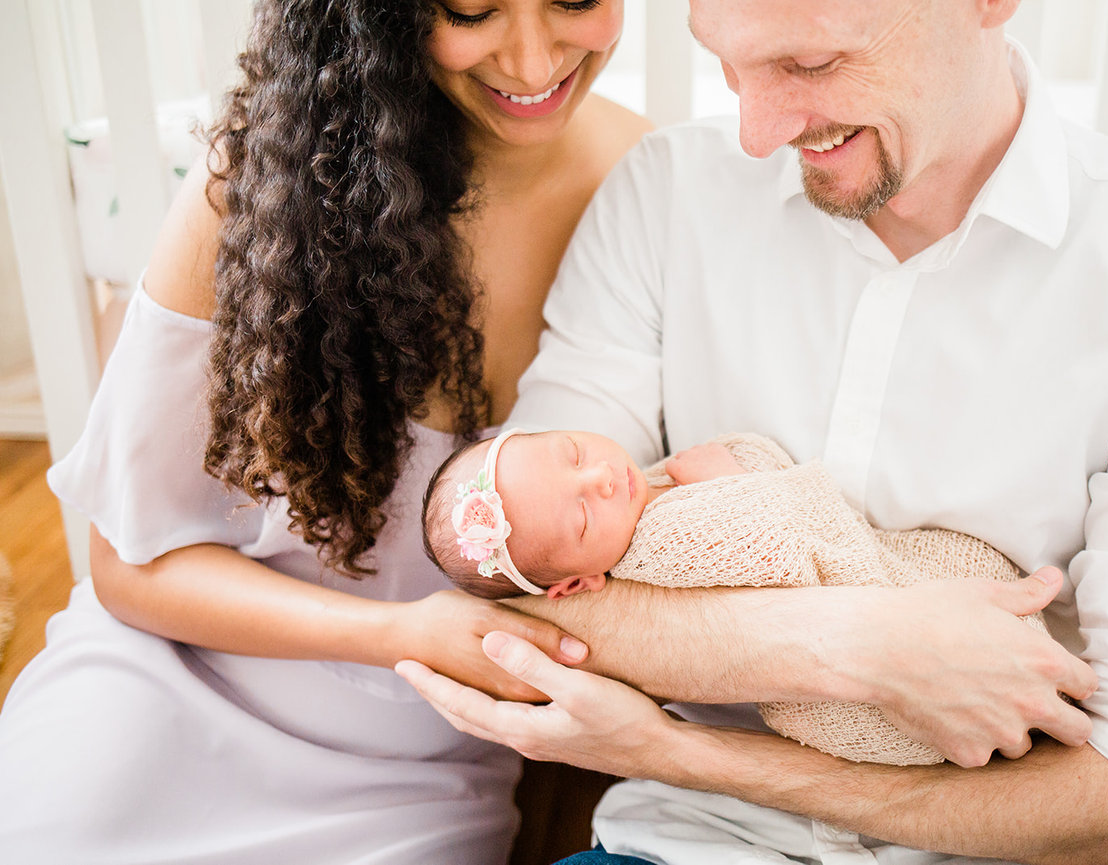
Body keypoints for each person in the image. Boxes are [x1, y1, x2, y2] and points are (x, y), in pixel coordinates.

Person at [394, 1, 1108, 863]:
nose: (757, 131)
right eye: (726, 61)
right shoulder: (670, 192)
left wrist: (683, 749)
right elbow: (514, 580)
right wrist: (856, 645)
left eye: (810, 63)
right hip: (688, 845)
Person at [0, 1, 650, 862]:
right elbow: (130, 568)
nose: (532, 64)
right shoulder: (262, 183)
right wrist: (402, 635)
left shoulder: (647, 187)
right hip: (165, 698)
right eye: (471, 10)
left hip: (415, 777)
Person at [423, 427, 1047, 768]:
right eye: (582, 518)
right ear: (577, 587)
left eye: (575, 453)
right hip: (843, 692)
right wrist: (728, 479)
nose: (601, 479)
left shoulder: (650, 491)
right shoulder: (657, 544)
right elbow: (783, 549)